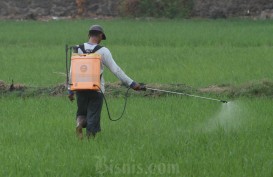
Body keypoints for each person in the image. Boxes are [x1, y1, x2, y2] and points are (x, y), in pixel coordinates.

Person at [68, 25, 143, 139]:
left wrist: (70, 90)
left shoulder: (77, 48)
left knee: (82, 113)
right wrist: (132, 84)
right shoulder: (103, 51)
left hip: (80, 87)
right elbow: (116, 70)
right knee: (93, 115)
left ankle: (79, 124)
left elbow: (72, 70)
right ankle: (90, 142)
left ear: (89, 35)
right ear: (100, 36)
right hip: (96, 89)